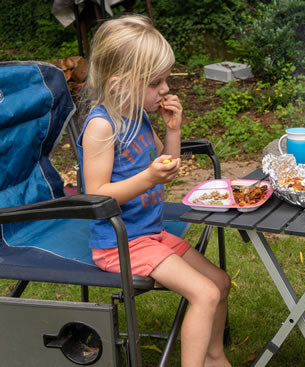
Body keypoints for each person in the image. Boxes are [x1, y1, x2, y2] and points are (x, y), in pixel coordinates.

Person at [76, 15, 231, 367]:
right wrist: (148, 177)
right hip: (119, 245)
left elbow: (166, 166)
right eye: (156, 82)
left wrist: (172, 131)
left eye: (166, 80)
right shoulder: (102, 126)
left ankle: (213, 356)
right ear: (119, 84)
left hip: (149, 233)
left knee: (219, 282)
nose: (165, 89)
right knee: (204, 293)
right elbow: (97, 195)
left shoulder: (139, 114)